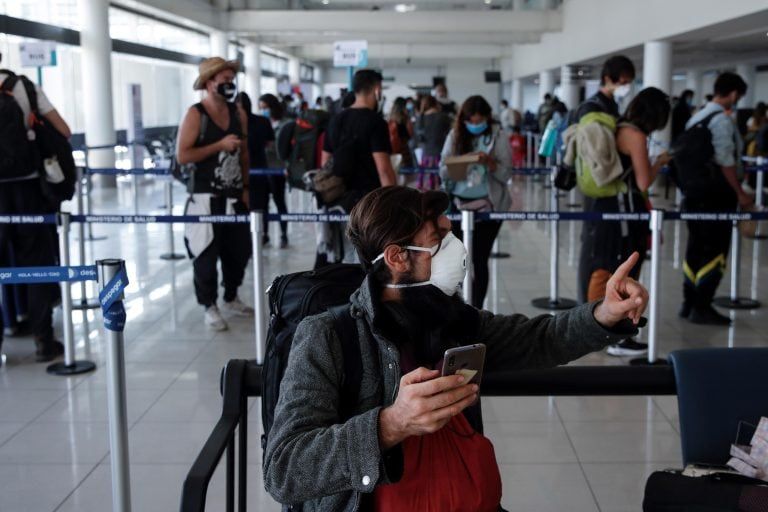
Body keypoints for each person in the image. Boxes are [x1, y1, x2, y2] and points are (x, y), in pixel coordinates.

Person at [263, 186, 650, 511]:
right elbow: (283, 469)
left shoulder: (455, 321)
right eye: (439, 241)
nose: (457, 248)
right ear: (397, 257)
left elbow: (541, 338)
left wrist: (604, 313)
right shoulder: (330, 335)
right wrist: (391, 424)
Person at [578, 87, 671, 357]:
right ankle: (616, 337)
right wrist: (659, 163)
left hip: (606, 208)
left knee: (605, 267)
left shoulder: (617, 127)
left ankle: (601, 330)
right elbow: (643, 182)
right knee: (623, 272)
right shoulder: (636, 135)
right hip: (625, 213)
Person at [0, 54, 71, 362]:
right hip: (28, 189)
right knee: (37, 263)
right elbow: (64, 130)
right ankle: (44, 341)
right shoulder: (25, 88)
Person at [176, 57, 253, 332]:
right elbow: (183, 155)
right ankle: (209, 304)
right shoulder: (196, 114)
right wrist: (219, 145)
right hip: (204, 197)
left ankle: (231, 296)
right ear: (209, 83)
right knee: (205, 254)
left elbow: (244, 154)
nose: (230, 84)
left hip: (234, 196)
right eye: (225, 80)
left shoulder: (238, 113)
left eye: (232, 80)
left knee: (239, 251)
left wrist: (246, 188)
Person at [679, 72, 752, 325]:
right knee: (715, 251)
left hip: (693, 195)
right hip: (716, 196)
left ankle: (688, 303)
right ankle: (702, 306)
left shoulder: (697, 117)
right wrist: (740, 193)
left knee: (695, 247)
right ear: (733, 93)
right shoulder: (721, 120)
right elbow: (726, 162)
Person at [440, 95, 511, 309]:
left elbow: (506, 174)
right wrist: (459, 164)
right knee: (458, 259)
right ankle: (460, 304)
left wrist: (490, 163)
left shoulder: (498, 137)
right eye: (471, 121)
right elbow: (442, 170)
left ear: (488, 118)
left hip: (489, 206)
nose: (475, 125)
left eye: (479, 121)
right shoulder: (455, 135)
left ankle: (477, 308)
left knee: (479, 259)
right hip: (458, 205)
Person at [241, 92, 290, 249]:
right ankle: (264, 234)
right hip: (260, 168)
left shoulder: (285, 124)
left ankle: (283, 234)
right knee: (262, 204)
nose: (263, 111)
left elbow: (282, 148)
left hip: (275, 168)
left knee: (279, 201)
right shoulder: (261, 122)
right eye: (261, 107)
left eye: (265, 107)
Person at [574, 55, 636, 122]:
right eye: (624, 82)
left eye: (629, 83)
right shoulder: (591, 107)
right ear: (607, 79)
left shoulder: (612, 104)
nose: (627, 87)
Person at [416, 95, 451, 190]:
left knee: (426, 184)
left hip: (425, 154)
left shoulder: (420, 118)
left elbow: (418, 138)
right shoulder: (444, 117)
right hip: (440, 152)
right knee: (441, 182)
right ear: (436, 103)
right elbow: (449, 134)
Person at [388, 97, 415, 169]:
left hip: (394, 151)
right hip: (404, 151)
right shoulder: (404, 119)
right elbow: (410, 134)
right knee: (407, 171)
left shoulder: (390, 119)